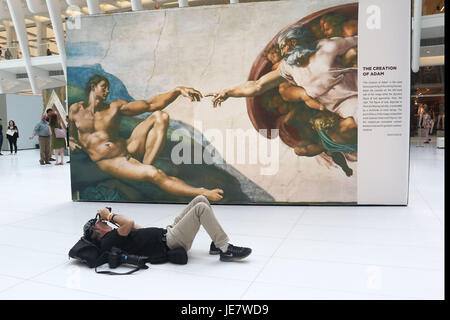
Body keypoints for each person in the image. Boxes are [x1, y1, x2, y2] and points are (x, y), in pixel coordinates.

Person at [69, 74, 223, 201]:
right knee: (154, 174)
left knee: (160, 116)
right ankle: (201, 192)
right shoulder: (75, 109)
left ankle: (146, 166)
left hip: (128, 147)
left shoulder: (114, 107)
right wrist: (70, 141)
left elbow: (150, 105)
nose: (107, 91)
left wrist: (176, 91)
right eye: (104, 87)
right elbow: (70, 133)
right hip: (110, 161)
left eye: (108, 87)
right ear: (93, 87)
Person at [207, 26, 358, 124]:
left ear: (293, 43)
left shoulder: (327, 46)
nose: (282, 53)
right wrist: (228, 92)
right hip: (342, 108)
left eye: (283, 47)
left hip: (359, 93)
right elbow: (257, 85)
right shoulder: (288, 68)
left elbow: (361, 41)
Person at [87, 196, 252, 263]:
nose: (102, 221)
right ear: (96, 229)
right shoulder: (108, 240)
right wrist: (109, 216)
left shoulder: (116, 235)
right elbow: (128, 222)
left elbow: (134, 226)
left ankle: (216, 244)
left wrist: (112, 219)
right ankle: (225, 248)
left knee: (201, 198)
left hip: (168, 232)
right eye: (99, 221)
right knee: (201, 208)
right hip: (171, 241)